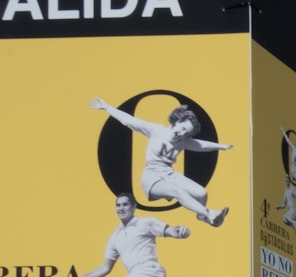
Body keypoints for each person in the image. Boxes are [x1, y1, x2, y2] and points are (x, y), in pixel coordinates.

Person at [87, 97, 232, 227]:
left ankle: (202, 216)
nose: (182, 134)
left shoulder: (183, 141)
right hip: (152, 177)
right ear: (176, 121)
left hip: (169, 173)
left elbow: (201, 146)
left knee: (202, 193)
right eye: (182, 129)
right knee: (177, 191)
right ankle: (209, 214)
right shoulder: (156, 131)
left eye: (186, 134)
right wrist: (107, 108)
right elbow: (130, 121)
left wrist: (221, 147)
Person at [66, 195, 192, 277]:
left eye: (125, 204)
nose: (121, 208)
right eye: (118, 205)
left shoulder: (145, 223)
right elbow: (105, 267)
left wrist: (181, 231)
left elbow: (172, 231)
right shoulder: (115, 237)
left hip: (151, 272)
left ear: (134, 207)